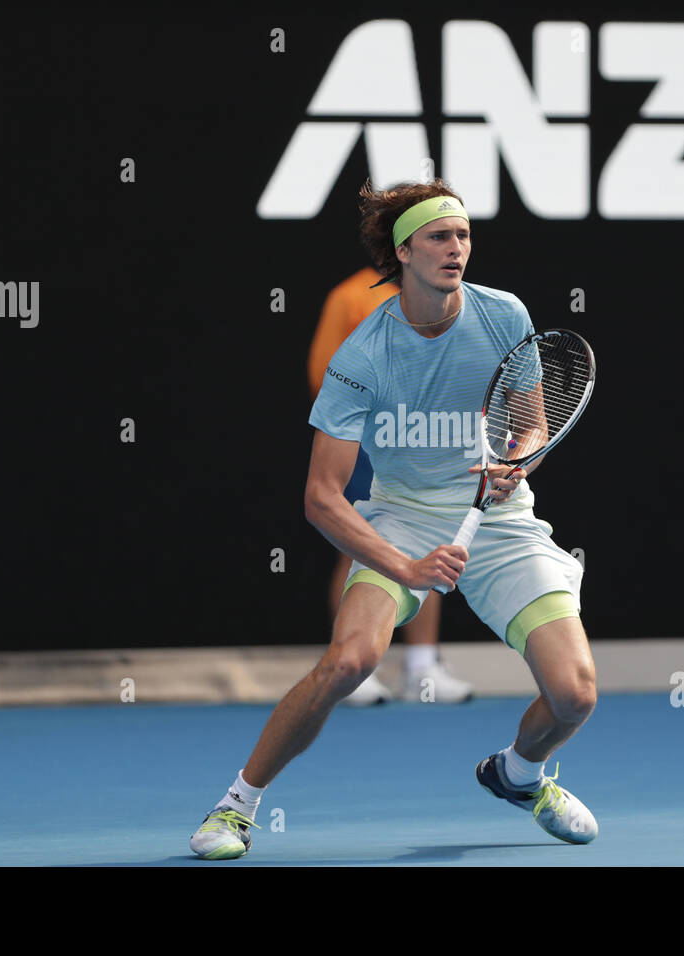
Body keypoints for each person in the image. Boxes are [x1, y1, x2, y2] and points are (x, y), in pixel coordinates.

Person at [191, 180, 598, 859]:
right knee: (349, 661)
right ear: (404, 251)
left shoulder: (504, 317)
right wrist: (404, 565)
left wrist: (516, 463)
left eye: (464, 235)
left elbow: (529, 426)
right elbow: (322, 496)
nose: (457, 247)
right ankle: (236, 807)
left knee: (575, 695)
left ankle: (518, 775)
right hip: (402, 518)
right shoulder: (363, 356)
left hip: (500, 522)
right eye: (440, 236)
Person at [307, 267, 472, 705]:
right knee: (359, 542)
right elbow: (325, 378)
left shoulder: (449, 300)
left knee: (430, 536)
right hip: (367, 441)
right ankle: (354, 669)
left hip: (424, 438)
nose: (446, 248)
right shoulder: (349, 295)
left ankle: (422, 668)